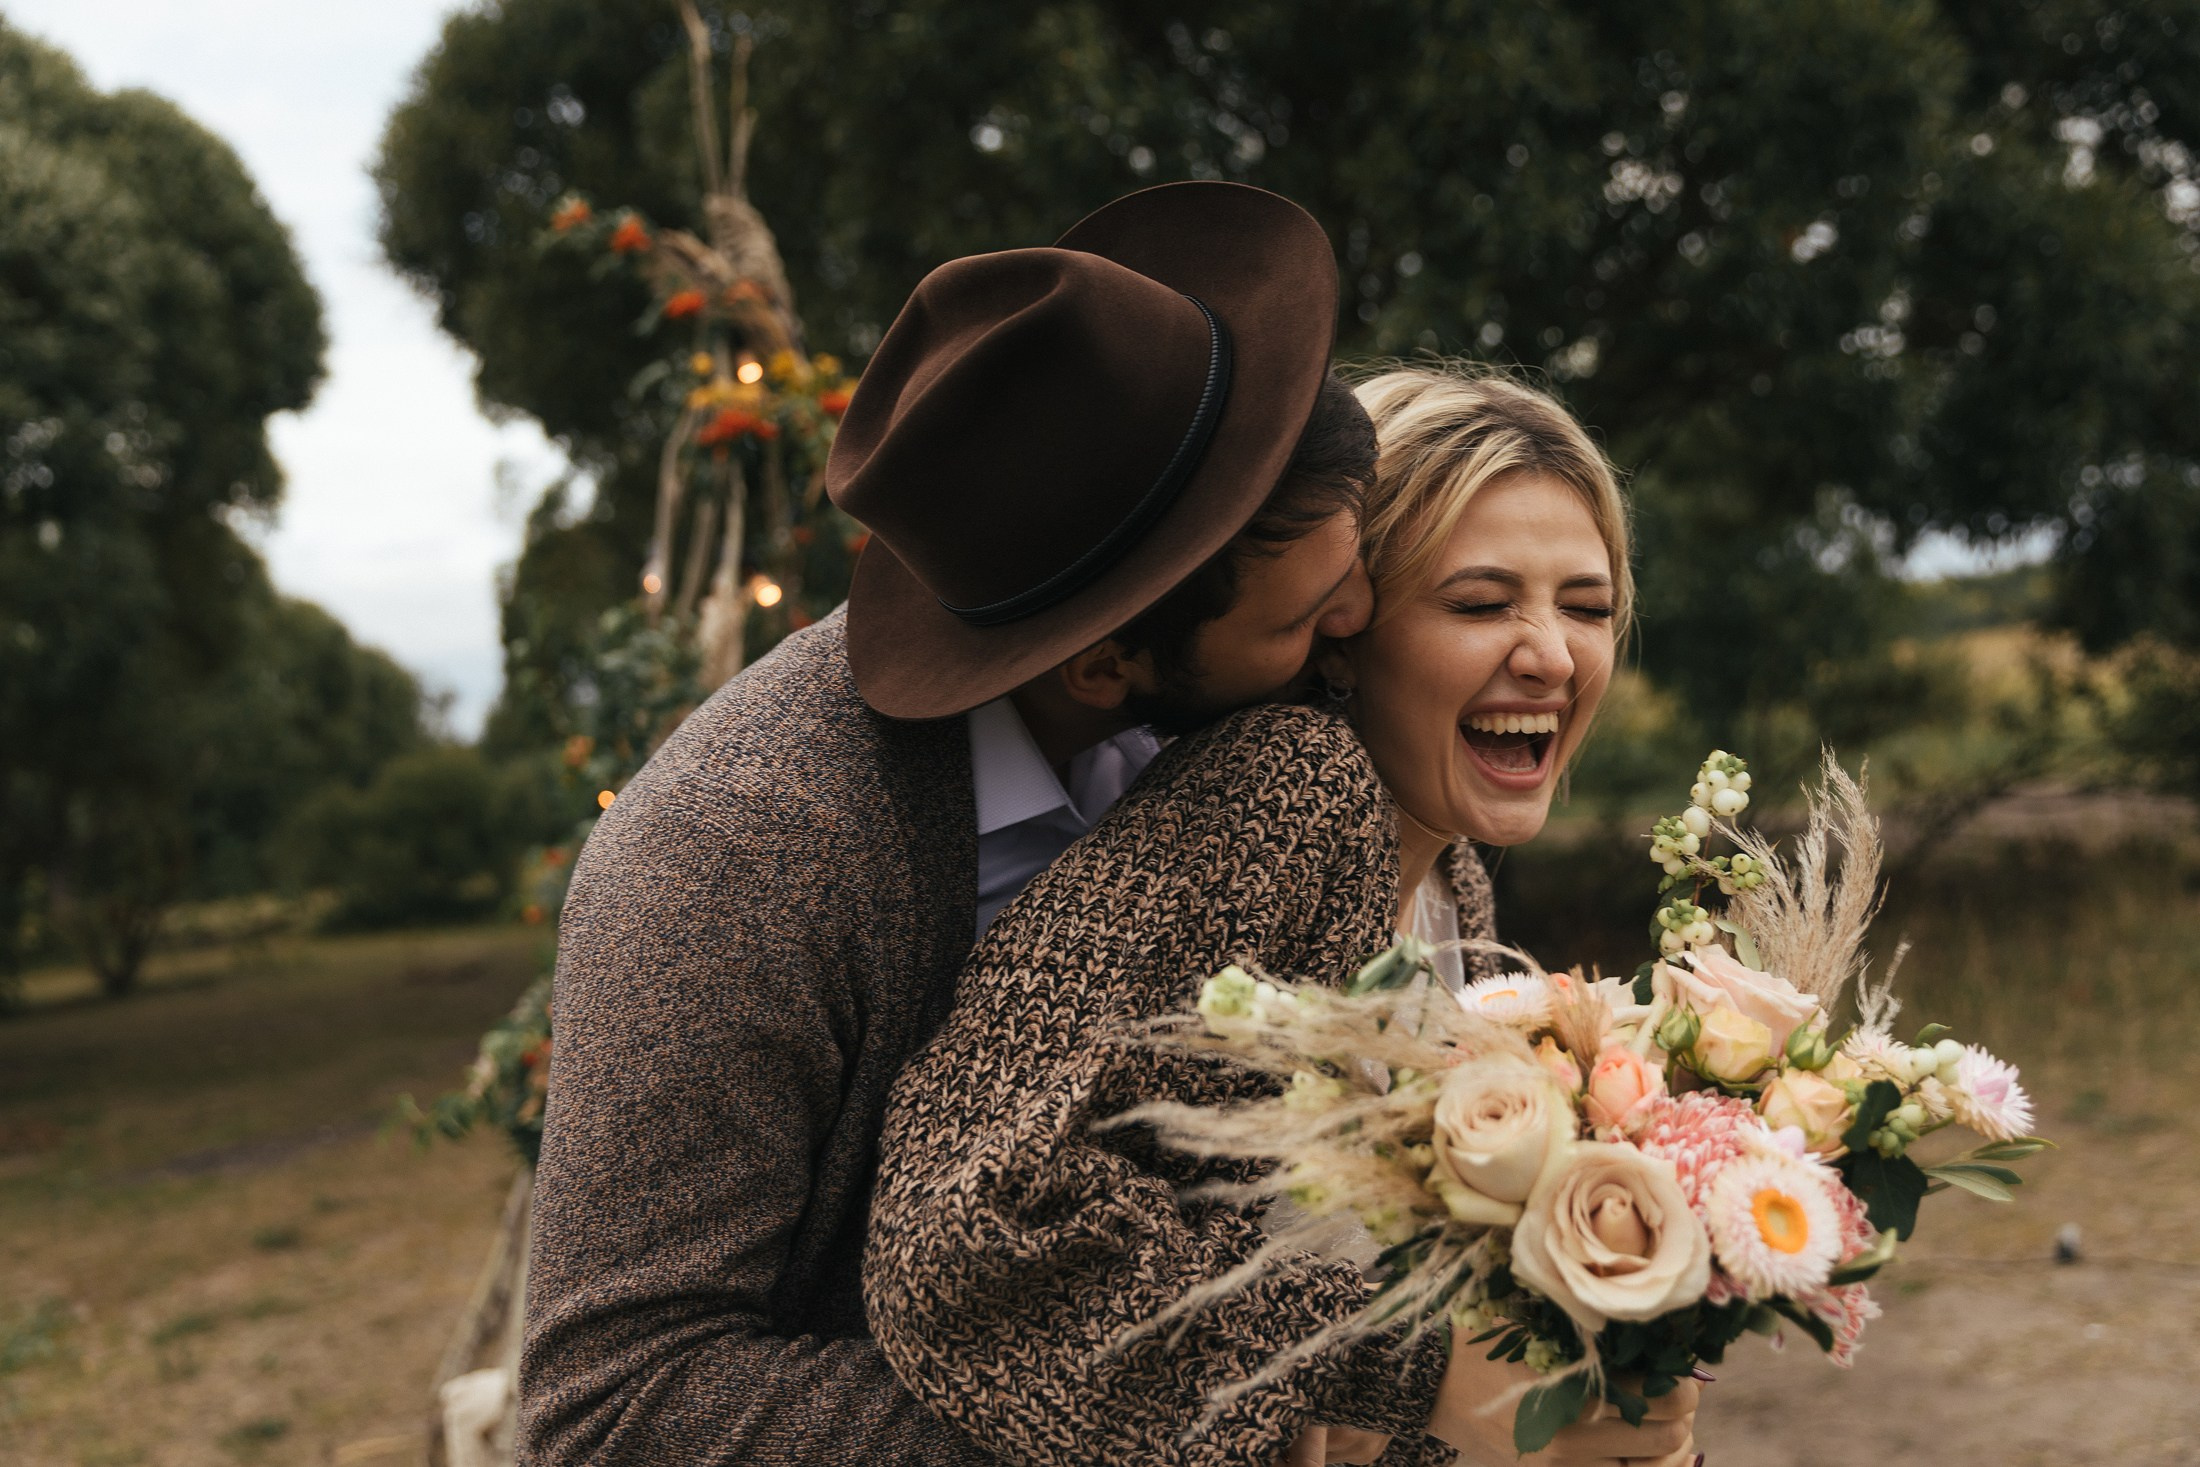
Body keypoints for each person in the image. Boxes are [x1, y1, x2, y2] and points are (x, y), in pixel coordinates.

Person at [519, 182, 1393, 1465]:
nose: (1361, 617)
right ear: (1100, 662)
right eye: (1301, 612)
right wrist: (1196, 1421)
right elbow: (612, 1406)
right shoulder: (730, 859)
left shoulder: (1244, 737)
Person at [863, 366, 1704, 1467]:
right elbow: (960, 1248)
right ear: (1345, 624)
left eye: (1586, 607)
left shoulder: (1452, 880)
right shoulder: (1282, 792)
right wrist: (1418, 1376)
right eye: (1480, 603)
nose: (1551, 652)